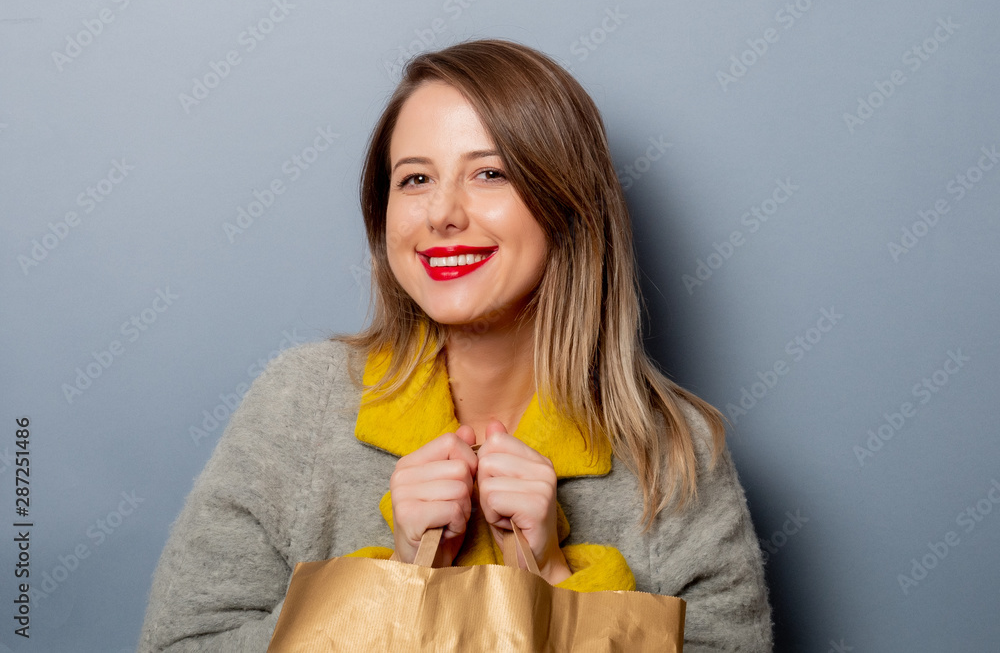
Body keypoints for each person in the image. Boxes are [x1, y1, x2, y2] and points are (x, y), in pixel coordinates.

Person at [139, 39, 772, 651]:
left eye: (489, 173)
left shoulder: (674, 451)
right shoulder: (298, 405)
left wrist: (552, 582)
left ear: (568, 206)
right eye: (414, 180)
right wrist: (395, 582)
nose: (442, 212)